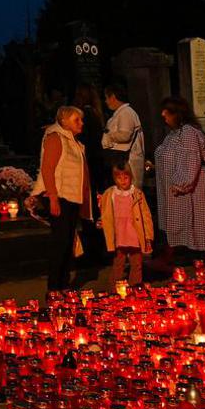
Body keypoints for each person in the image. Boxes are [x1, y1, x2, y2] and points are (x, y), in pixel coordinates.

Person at [152, 96, 205, 262]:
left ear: (177, 113)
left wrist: (181, 184)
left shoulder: (188, 133)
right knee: (185, 223)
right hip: (179, 190)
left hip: (195, 189)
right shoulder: (174, 134)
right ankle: (174, 255)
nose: (163, 115)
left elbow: (190, 159)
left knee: (203, 222)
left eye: (167, 112)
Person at [36, 105, 92, 292]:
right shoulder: (56, 138)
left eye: (81, 120)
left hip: (71, 197)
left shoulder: (73, 141)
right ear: (64, 121)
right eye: (77, 120)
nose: (81, 123)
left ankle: (64, 285)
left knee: (68, 242)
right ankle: (54, 288)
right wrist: (53, 197)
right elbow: (47, 169)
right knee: (60, 243)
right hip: (60, 196)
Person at [98, 164, 155, 287]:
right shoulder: (110, 194)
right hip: (119, 235)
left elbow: (146, 216)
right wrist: (102, 222)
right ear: (115, 179)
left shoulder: (137, 194)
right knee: (118, 263)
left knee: (136, 263)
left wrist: (148, 236)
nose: (123, 181)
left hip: (134, 234)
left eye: (126, 177)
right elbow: (106, 212)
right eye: (119, 178)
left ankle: (135, 287)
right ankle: (115, 289)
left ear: (131, 177)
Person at [100, 81, 146, 189]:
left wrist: (108, 134)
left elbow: (125, 135)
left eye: (106, 98)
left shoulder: (126, 112)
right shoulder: (122, 113)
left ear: (113, 97)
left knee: (128, 191)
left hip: (127, 160)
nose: (106, 101)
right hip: (123, 159)